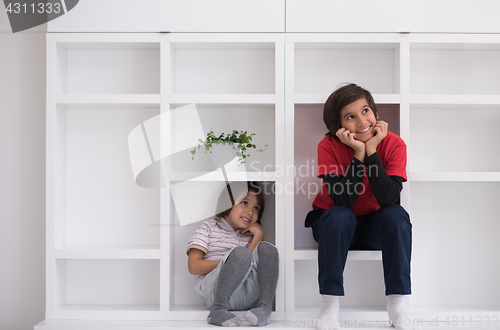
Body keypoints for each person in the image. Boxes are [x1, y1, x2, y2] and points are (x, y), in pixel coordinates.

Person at [305, 84, 419, 330]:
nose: (361, 121)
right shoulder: (328, 146)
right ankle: (329, 307)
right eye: (350, 116)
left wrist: (372, 151)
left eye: (365, 110)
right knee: (339, 215)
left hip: (372, 228)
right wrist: (359, 153)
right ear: (339, 126)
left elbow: (389, 198)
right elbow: (342, 201)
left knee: (397, 214)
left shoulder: (395, 144)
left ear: (376, 113)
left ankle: (398, 307)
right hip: (332, 225)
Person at [187, 181, 279, 327]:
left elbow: (250, 265)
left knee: (268, 250)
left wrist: (259, 235)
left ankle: (264, 308)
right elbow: (194, 266)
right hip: (214, 293)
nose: (251, 212)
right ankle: (218, 309)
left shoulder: (250, 235)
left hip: (245, 295)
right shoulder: (208, 228)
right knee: (242, 254)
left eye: (256, 208)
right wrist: (229, 263)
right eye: (244, 203)